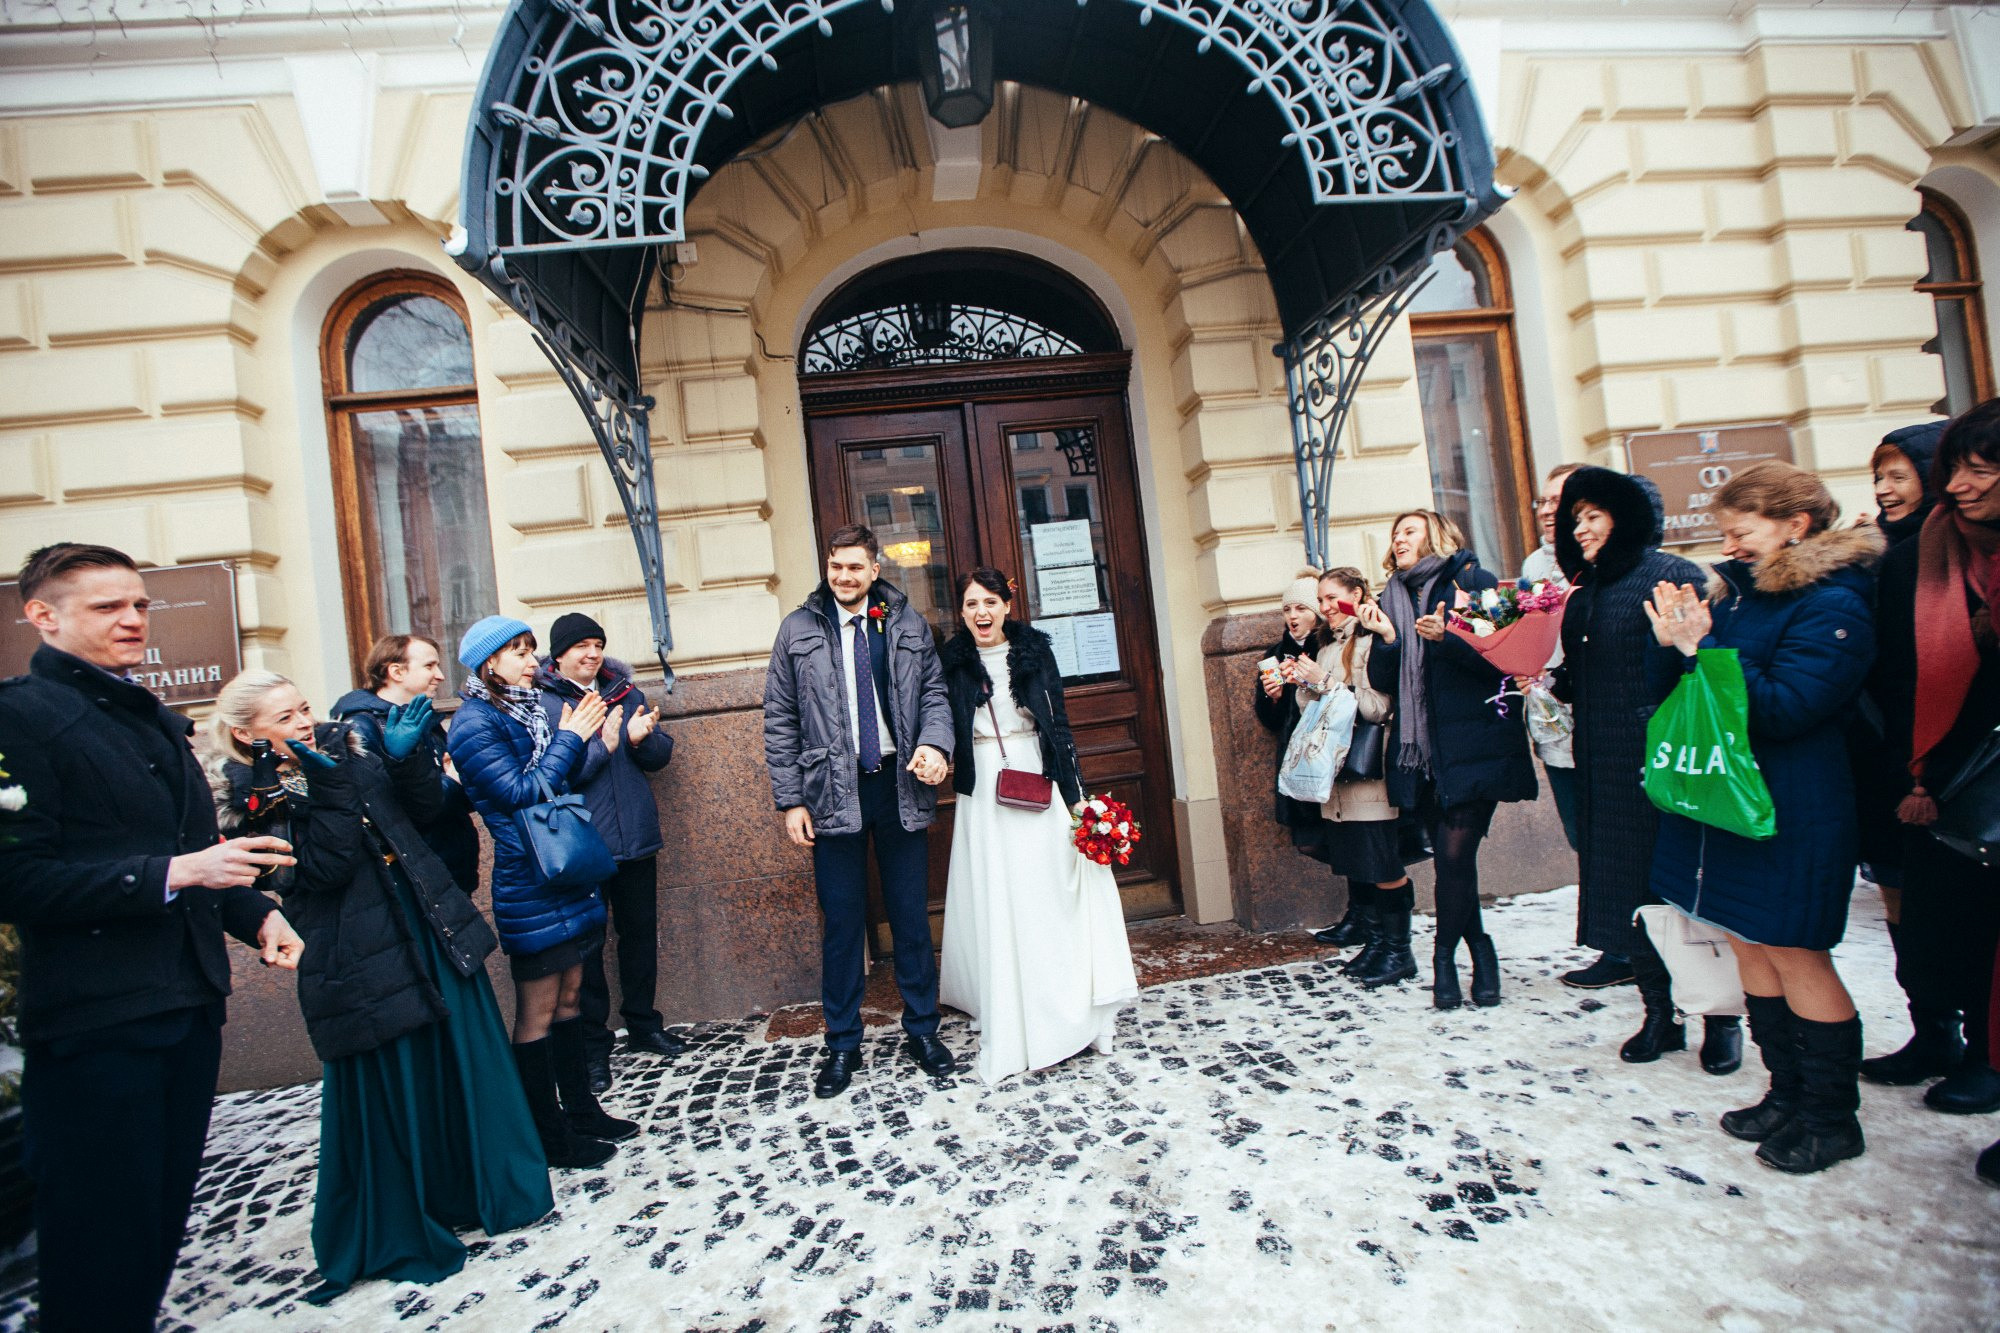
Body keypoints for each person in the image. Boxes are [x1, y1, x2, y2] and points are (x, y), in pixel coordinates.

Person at [0, 542, 304, 1332]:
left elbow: (194, 853)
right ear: (43, 615)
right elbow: (18, 880)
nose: (133, 618)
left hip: (186, 1005)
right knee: (99, 1248)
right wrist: (177, 873)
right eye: (107, 606)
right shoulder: (20, 716)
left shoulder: (147, 716)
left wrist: (255, 913)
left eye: (139, 603)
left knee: (153, 1235)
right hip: (97, 1023)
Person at [203, 671, 550, 1303]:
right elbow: (324, 869)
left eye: (303, 708)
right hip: (355, 947)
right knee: (398, 1069)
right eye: (284, 718)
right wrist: (331, 791)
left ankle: (476, 1189)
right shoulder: (248, 798)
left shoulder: (346, 745)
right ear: (246, 734)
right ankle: (405, 1213)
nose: (304, 723)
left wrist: (405, 759)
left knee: (460, 1052)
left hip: (425, 916)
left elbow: (422, 812)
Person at [1645, 461, 1882, 1174]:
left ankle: (1831, 1117)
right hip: (1737, 805)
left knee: (1797, 954)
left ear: (1795, 525)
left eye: (1741, 531)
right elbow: (1702, 695)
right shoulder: (1744, 598)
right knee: (1751, 946)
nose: (1729, 546)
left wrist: (1703, 646)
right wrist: (1679, 645)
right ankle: (1786, 1093)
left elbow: (1784, 709)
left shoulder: (1835, 602)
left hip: (1796, 807)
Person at [1548, 468, 1739, 1072]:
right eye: (1574, 519)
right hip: (1603, 765)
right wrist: (1549, 681)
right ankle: (1660, 1014)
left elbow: (1701, 663)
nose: (1580, 529)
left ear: (1624, 518)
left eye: (1593, 516)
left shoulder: (1670, 575)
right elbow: (1588, 675)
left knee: (1686, 895)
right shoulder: (1587, 591)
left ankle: (1721, 1020)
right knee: (1633, 896)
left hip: (1666, 763)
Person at [763, 524, 955, 1099]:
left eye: (855, 567)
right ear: (827, 567)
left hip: (898, 785)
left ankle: (923, 1030)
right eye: (836, 566)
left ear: (875, 570)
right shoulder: (797, 629)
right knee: (843, 924)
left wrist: (936, 744)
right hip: (830, 792)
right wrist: (791, 800)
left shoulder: (906, 623)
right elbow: (780, 719)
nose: (844, 576)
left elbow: (935, 694)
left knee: (910, 919)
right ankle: (843, 1043)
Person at [448, 615, 637, 1169]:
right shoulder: (473, 723)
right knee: (538, 1010)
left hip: (563, 867)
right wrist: (571, 738)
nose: (532, 662)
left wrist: (581, 742)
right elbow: (520, 793)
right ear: (489, 664)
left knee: (571, 995)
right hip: (529, 879)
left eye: (531, 650)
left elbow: (561, 779)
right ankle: (548, 1133)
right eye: (519, 652)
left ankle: (581, 1111)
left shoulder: (524, 710)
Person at [937, 568, 1139, 1082]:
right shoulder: (952, 661)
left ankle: (1065, 1005)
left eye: (989, 601)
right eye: (970, 604)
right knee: (999, 897)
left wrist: (1078, 799)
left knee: (1047, 894)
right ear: (961, 613)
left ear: (1007, 605)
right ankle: (1009, 1006)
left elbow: (1059, 725)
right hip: (983, 788)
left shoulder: (1034, 652)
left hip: (1035, 777)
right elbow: (938, 724)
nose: (981, 612)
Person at [1870, 399, 2000, 1142]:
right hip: (1927, 769)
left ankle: (1986, 1054)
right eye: (1953, 468)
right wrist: (1909, 763)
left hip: (1985, 765)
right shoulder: (1911, 559)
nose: (1959, 485)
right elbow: (1893, 670)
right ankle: (1943, 1036)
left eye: (1980, 470)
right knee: (1940, 925)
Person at [1377, 511, 1538, 1009]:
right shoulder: (1390, 597)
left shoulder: (1474, 582)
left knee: (1452, 858)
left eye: (1409, 530)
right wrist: (1388, 640)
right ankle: (1481, 950)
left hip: (1473, 745)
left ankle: (1443, 959)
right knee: (1455, 866)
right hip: (1421, 753)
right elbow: (1384, 682)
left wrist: (1445, 640)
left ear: (1436, 535)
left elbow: (1502, 661)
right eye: (1395, 534)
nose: (1399, 539)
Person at [1846, 421, 1952, 1084]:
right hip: (1884, 753)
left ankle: (1982, 1046)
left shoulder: (1956, 550)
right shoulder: (1879, 552)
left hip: (1945, 759)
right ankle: (1932, 1030)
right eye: (1878, 476)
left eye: (1898, 475)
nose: (1884, 488)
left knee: (1957, 907)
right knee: (1899, 897)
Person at [536, 612, 680, 1095]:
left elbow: (659, 757)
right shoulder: (545, 705)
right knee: (589, 949)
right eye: (581, 646)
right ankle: (594, 1046)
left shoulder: (625, 692)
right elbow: (552, 776)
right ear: (559, 654)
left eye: (597, 644)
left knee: (639, 936)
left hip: (635, 838)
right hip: (583, 844)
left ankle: (644, 1023)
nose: (592, 653)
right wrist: (599, 744)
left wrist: (643, 740)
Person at [1280, 568, 1414, 987]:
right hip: (1335, 772)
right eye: (1320, 600)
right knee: (1362, 863)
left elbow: (1379, 708)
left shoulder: (1372, 638)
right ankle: (1376, 943)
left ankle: (1399, 951)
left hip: (1368, 770)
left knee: (1383, 864)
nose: (1325, 608)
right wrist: (1304, 684)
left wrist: (1326, 684)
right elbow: (1314, 709)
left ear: (1356, 596)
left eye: (1331, 598)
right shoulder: (1326, 645)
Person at [331, 634, 480, 896]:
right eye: (429, 666)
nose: (440, 676)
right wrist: (452, 782)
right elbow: (392, 811)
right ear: (396, 672)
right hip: (418, 878)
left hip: (449, 868)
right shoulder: (362, 728)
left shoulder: (423, 718)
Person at [1251, 576, 1339, 938]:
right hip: (1299, 760)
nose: (1292, 616)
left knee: (1347, 837)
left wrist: (1311, 680)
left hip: (1330, 755)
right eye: (1287, 609)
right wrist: (1272, 698)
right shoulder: (1274, 655)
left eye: (1301, 608)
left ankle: (1363, 910)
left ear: (1317, 613)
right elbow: (1269, 721)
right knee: (1309, 840)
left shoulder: (1330, 648)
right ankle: (1363, 903)